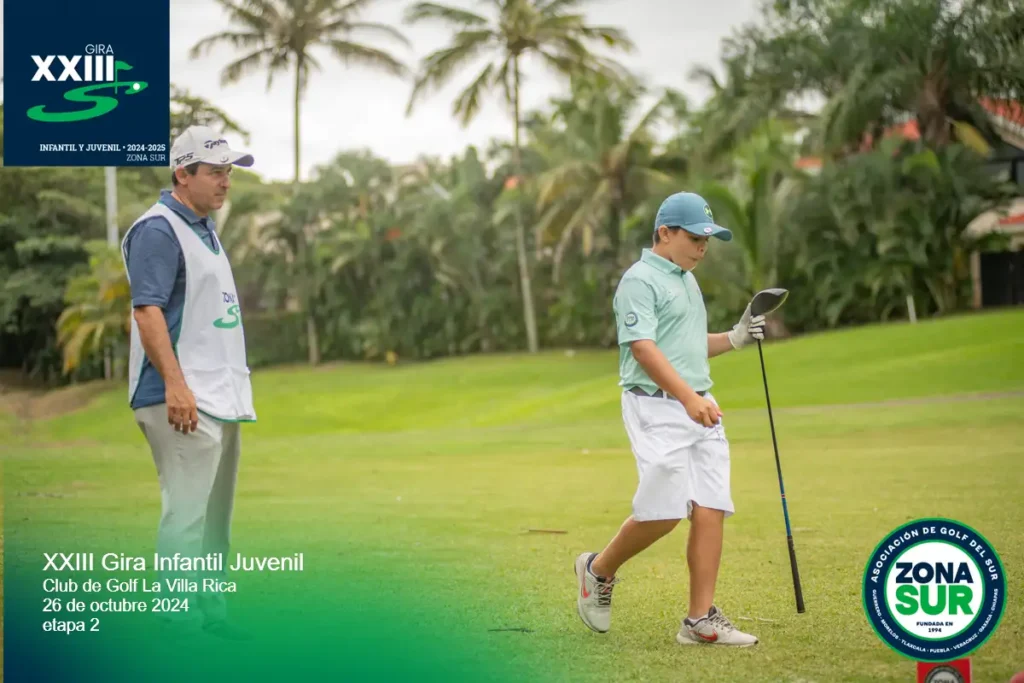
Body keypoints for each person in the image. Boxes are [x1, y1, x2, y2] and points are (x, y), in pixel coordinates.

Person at [573, 191, 766, 647]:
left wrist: (735, 338)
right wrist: (687, 399)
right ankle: (598, 570)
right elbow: (644, 349)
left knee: (712, 507)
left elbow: (688, 345)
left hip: (699, 403)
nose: (702, 247)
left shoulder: (686, 280)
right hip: (656, 406)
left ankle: (699, 620)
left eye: (707, 240)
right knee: (663, 513)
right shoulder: (638, 281)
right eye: (695, 238)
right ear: (664, 232)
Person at [120, 125, 257, 640]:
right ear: (183, 174)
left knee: (214, 516)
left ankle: (211, 614)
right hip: (180, 395)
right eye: (216, 172)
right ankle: (177, 623)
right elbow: (147, 312)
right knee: (186, 514)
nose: (226, 182)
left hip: (219, 396)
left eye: (228, 172)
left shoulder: (203, 228)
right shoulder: (158, 230)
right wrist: (177, 386)